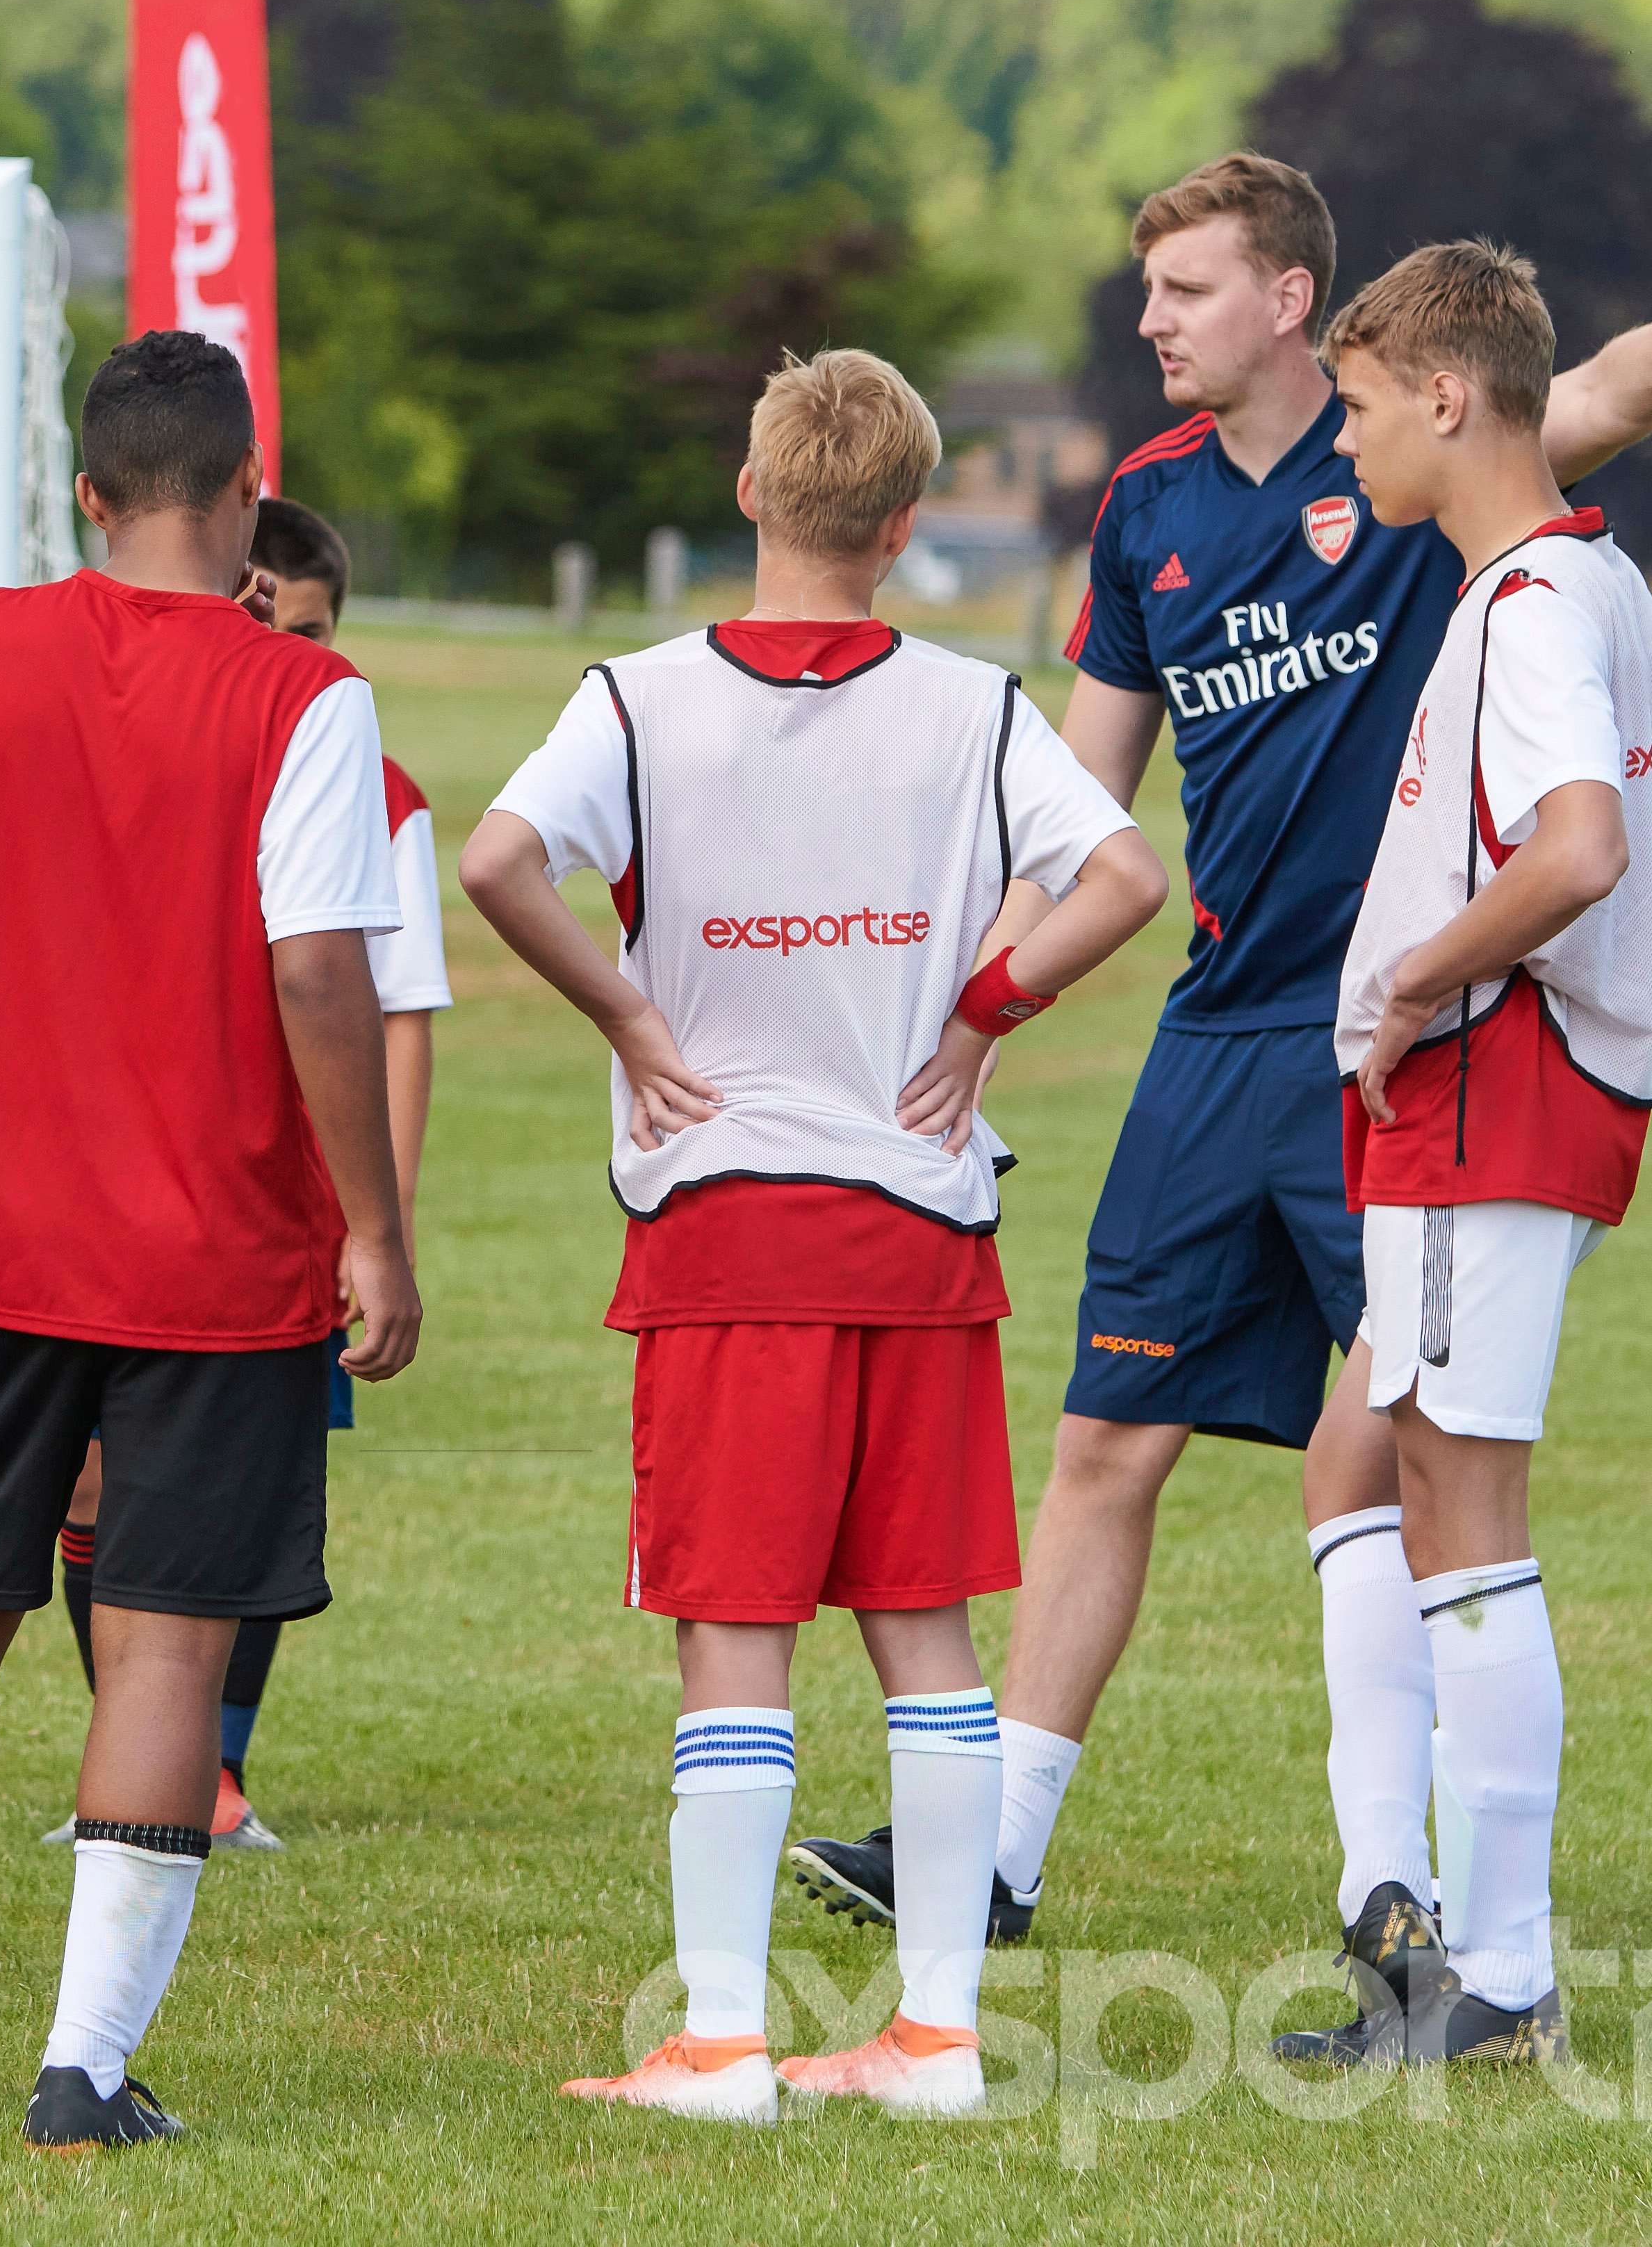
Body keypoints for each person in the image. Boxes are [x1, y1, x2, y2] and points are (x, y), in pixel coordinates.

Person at [788, 155, 1652, 1951]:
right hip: (1215, 1034)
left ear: (1285, 298)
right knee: (1107, 1434)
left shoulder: (1421, 476)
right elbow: (1072, 792)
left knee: (1394, 1465)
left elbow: (1566, 403)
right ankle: (998, 1846)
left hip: (1398, 1048)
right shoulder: (1142, 509)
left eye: (1181, 288)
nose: (1148, 321)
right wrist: (942, 971)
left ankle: (1410, 1885)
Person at [468, 351, 1166, 2124]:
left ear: (748, 493)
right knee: (920, 1634)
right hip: (917, 1223)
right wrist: (982, 1010)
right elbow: (1129, 877)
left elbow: (491, 863)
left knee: (732, 1635)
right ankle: (930, 2035)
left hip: (725, 1233)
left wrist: (629, 1023)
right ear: (908, 522)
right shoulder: (974, 705)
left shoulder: (634, 699)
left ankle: (716, 2042)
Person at [0, 329, 418, 2152]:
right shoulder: (307, 694)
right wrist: (374, 1222)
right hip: (214, 1253)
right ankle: (82, 2071)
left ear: (83, 492)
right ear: (243, 496)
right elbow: (313, 964)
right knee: (157, 1650)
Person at [1272, 242, 1652, 2067]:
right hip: (1519, 1099)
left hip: (1485, 1098)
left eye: (1354, 406)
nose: (1340, 441)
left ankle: (1491, 1966)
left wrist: (1416, 980)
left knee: (1456, 1501)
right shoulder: (1582, 575)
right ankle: (1397, 1912)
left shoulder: (1523, 604)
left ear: (1443, 397)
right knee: (1350, 1463)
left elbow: (1573, 845)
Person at [42, 494, 444, 1855]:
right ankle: (132, 1756)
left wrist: (372, 1218)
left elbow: (395, 1017)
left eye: (314, 628)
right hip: (104, 1188)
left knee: (242, 1496)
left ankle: (210, 1773)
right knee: (89, 1484)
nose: (283, 643)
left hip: (281, 1211)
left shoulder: (374, 789)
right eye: (261, 612)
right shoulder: (132, 748)